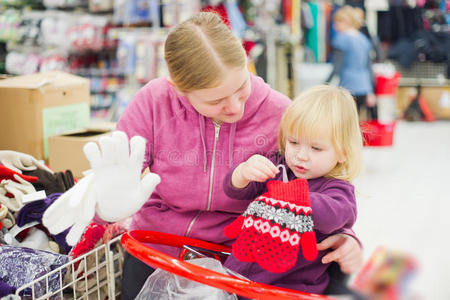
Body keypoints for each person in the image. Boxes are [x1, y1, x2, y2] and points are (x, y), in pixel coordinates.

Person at [115, 12, 363, 299]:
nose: (234, 107)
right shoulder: (154, 102)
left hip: (240, 263)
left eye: (241, 88)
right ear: (178, 89)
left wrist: (348, 236)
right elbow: (114, 179)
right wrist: (105, 213)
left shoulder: (281, 113)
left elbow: (325, 184)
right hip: (157, 252)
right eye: (215, 100)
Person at [222, 85, 363, 295]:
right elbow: (236, 192)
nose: (301, 156)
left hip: (292, 289)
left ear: (342, 152)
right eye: (294, 142)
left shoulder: (336, 189)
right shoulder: (279, 168)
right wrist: (242, 173)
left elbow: (335, 215)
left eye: (316, 148)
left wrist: (297, 198)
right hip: (240, 277)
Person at [326, 5, 376, 121]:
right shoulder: (364, 40)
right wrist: (371, 90)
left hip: (348, 86)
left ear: (345, 21)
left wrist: (325, 85)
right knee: (357, 121)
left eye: (337, 22)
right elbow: (368, 67)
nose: (334, 26)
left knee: (345, 122)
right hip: (364, 86)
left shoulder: (341, 39)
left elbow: (337, 67)